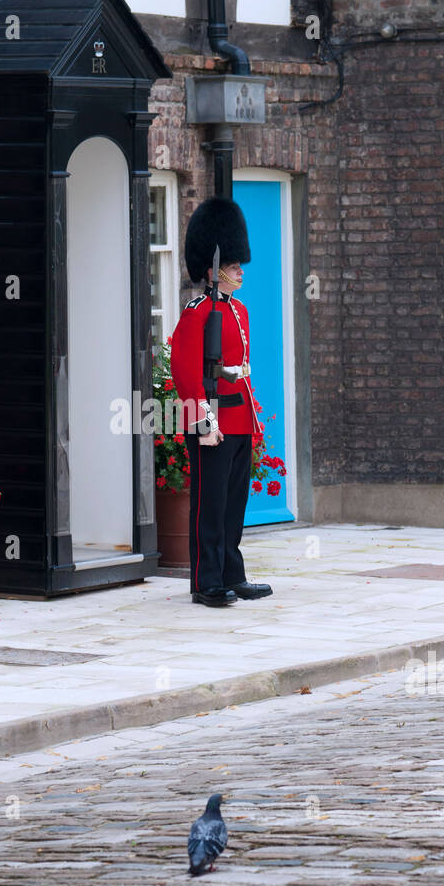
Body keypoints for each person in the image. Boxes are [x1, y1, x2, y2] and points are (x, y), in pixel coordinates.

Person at [170, 195, 274, 607]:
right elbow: (186, 374)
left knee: (233, 507)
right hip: (213, 424)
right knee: (208, 508)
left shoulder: (239, 311)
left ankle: (233, 573)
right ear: (213, 270)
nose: (239, 272)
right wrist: (202, 423)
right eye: (232, 266)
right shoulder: (196, 314)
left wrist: (252, 420)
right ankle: (205, 580)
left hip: (239, 420)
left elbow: (241, 369)